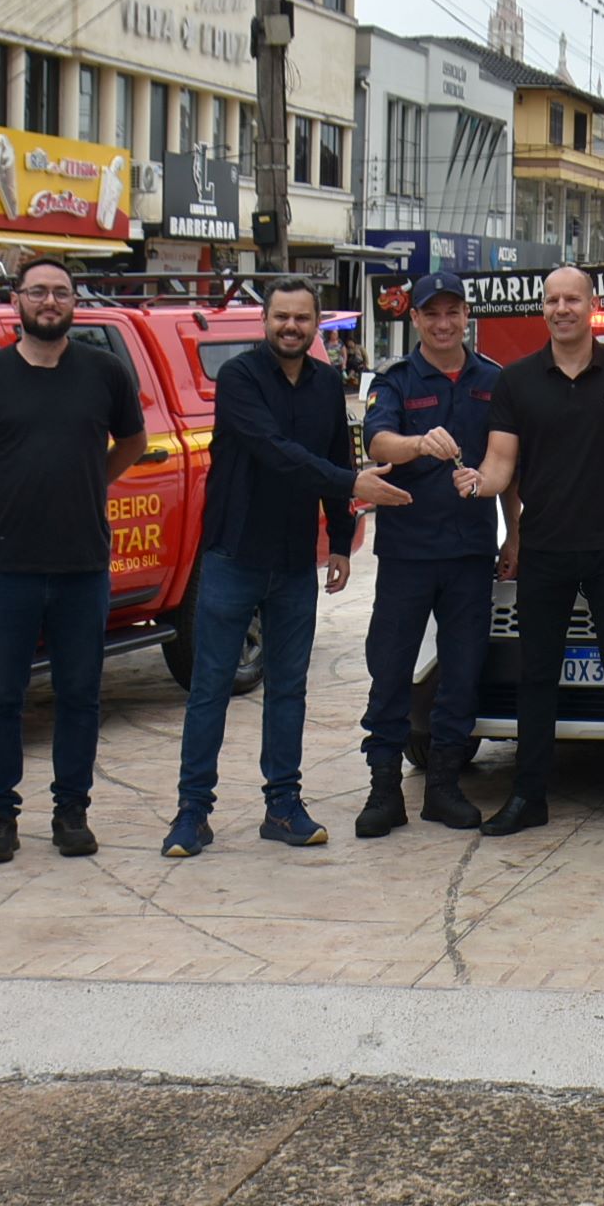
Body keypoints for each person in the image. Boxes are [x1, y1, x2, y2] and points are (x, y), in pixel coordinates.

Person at [167, 276, 411, 857]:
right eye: (282, 317)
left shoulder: (326, 383)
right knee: (210, 688)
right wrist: (351, 483)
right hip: (232, 555)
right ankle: (192, 812)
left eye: (302, 318)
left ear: (316, 323)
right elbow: (274, 451)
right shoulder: (239, 378)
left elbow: (334, 455)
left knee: (288, 690)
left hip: (295, 560)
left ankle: (283, 806)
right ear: (265, 321)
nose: (291, 327)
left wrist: (341, 540)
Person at [0, 257, 146, 866]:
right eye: (38, 291)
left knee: (80, 695)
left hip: (82, 565)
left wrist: (91, 481)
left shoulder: (104, 371)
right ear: (17, 301)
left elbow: (132, 441)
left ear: (75, 302)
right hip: (8, 566)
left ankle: (71, 812)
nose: (50, 301)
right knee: (0, 697)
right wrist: (3, 486)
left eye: (60, 291)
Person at [461, 266, 604, 838]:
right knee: (536, 676)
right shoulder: (517, 381)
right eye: (552, 300)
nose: (561, 309)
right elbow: (501, 464)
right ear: (543, 309)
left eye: (572, 299)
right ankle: (529, 796)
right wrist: (478, 483)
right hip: (545, 549)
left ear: (591, 305)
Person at [355, 273, 512, 836]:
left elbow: (508, 464)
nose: (443, 324)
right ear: (415, 319)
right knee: (391, 668)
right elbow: (377, 442)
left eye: (453, 312)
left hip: (470, 552)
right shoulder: (396, 380)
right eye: (432, 314)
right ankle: (384, 789)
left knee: (462, 670)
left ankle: (444, 786)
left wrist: (514, 535)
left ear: (467, 315)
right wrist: (419, 443)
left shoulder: (494, 379)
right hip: (408, 552)